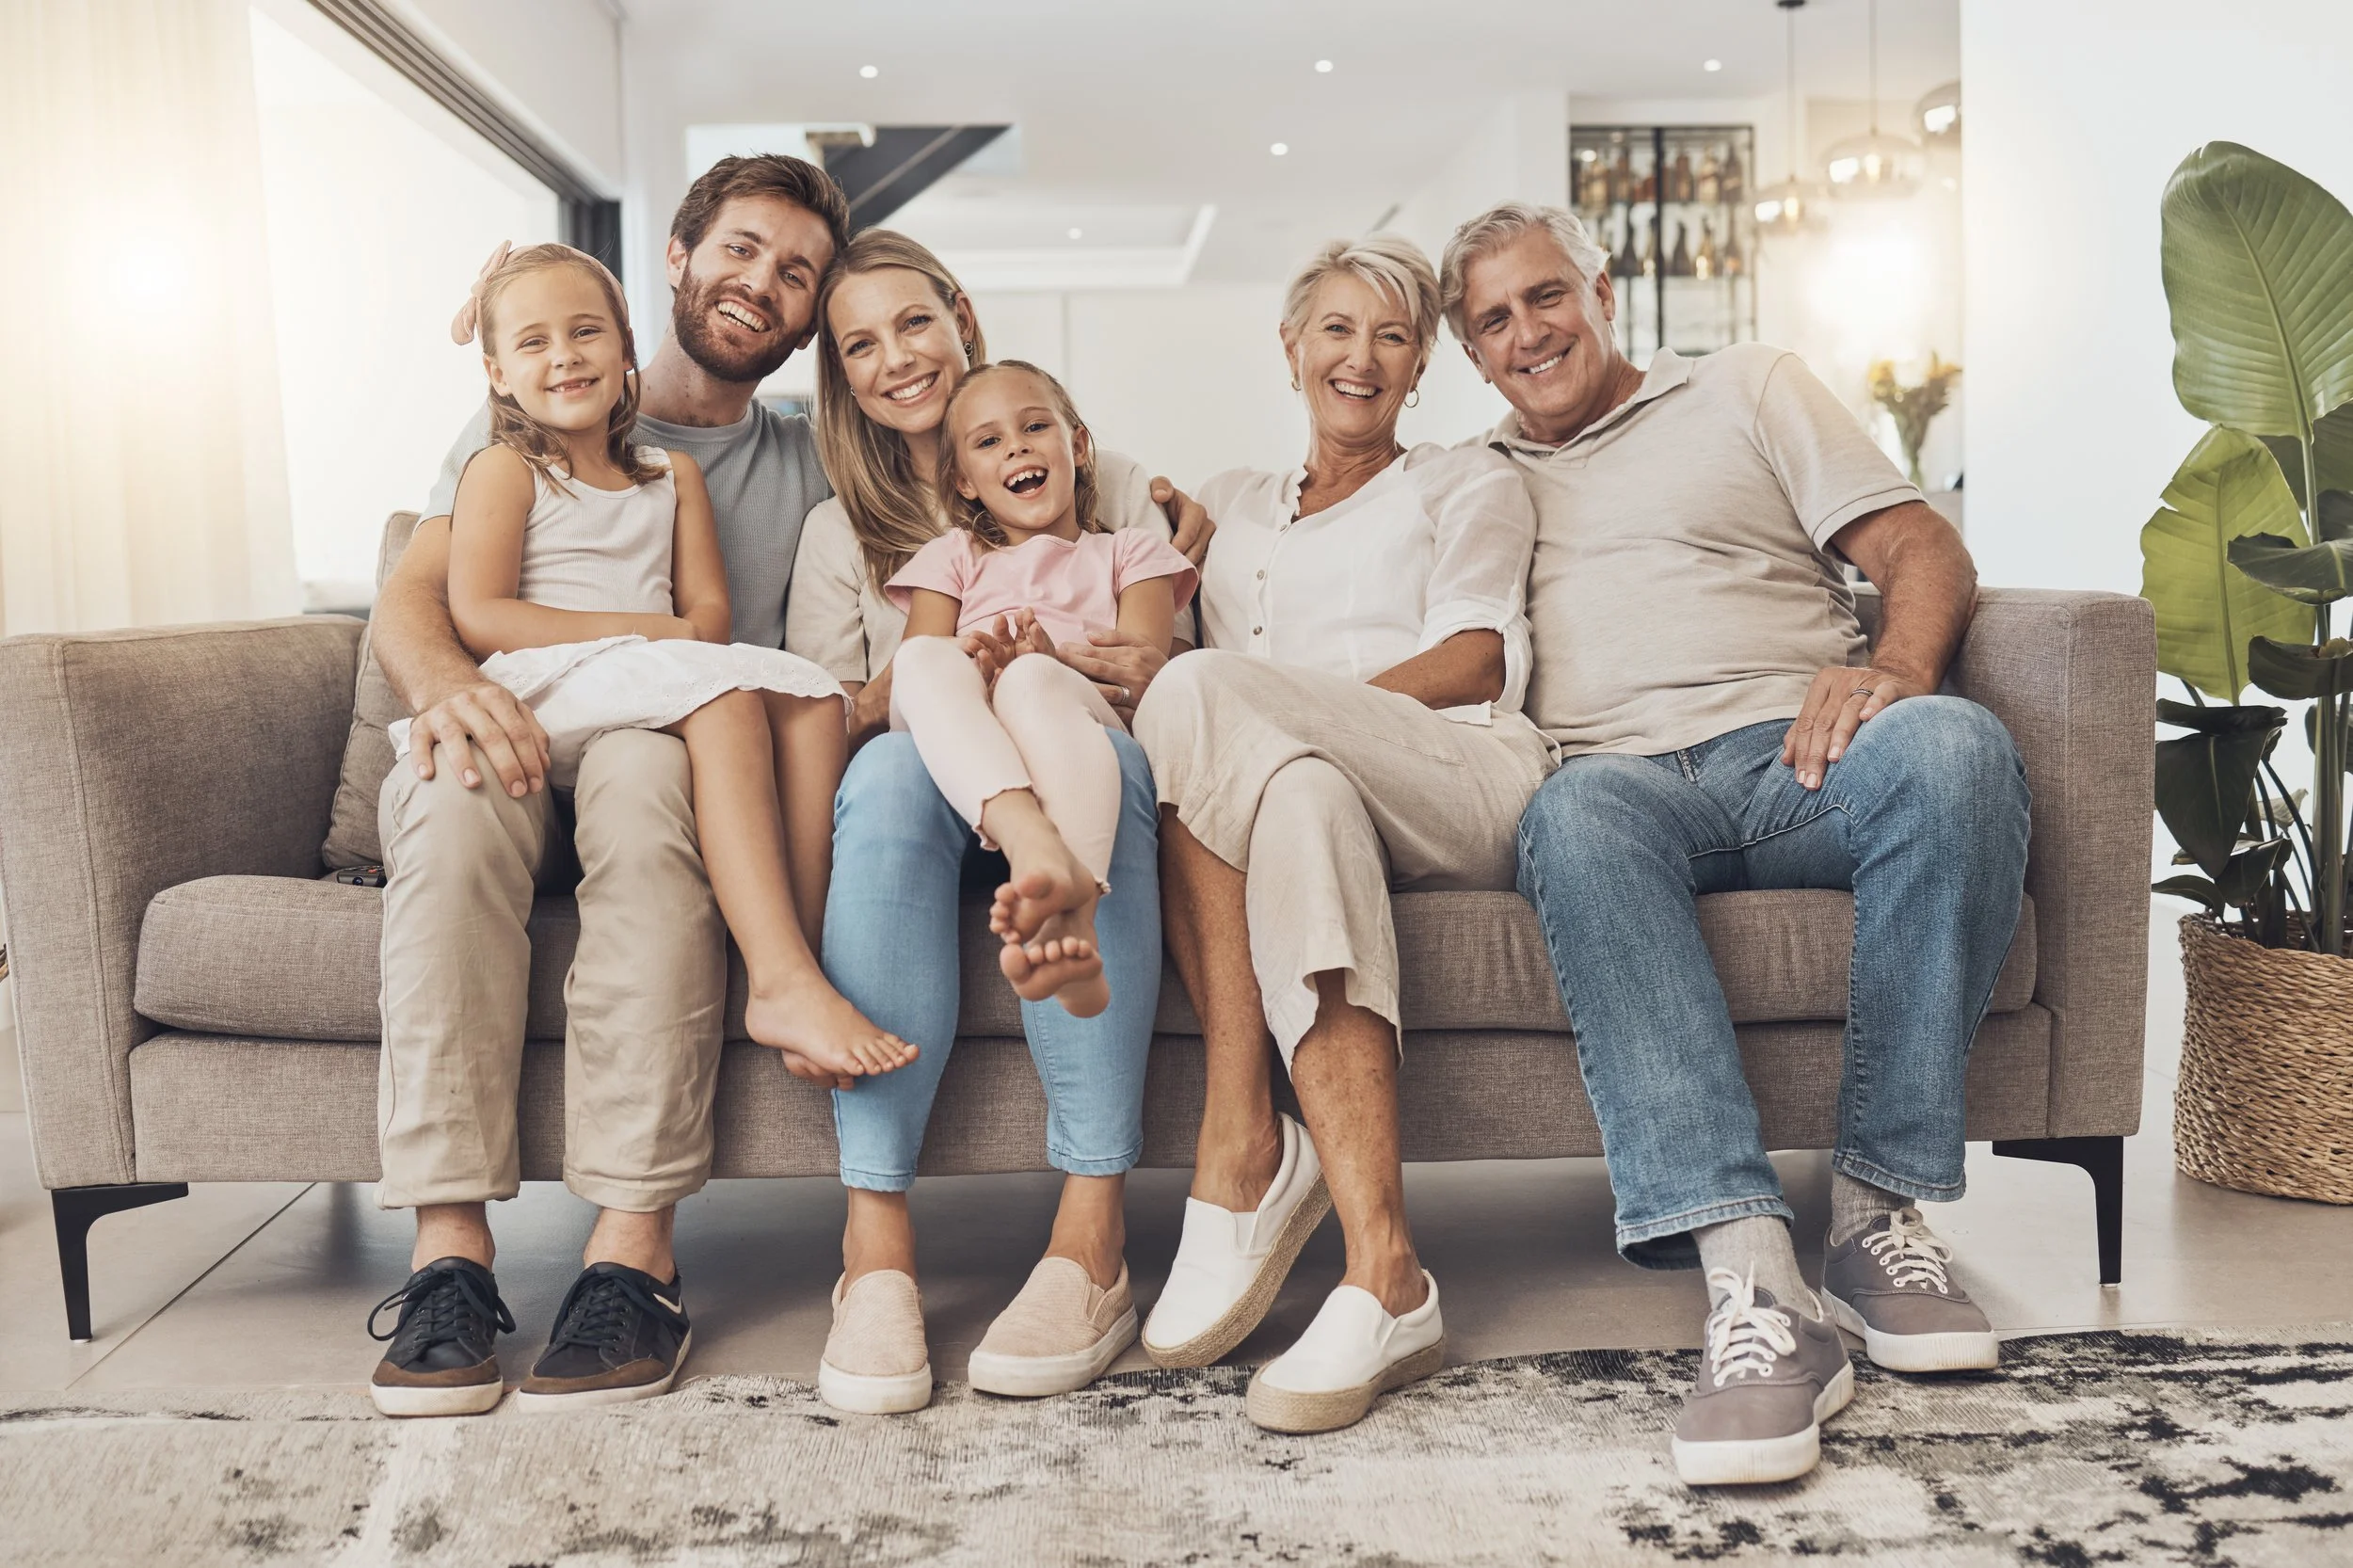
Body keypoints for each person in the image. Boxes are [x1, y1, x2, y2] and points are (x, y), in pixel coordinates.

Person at [1443, 201, 2028, 1487]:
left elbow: (1917, 541)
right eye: (1493, 319)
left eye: (1547, 295)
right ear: (1471, 355)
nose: (1529, 331)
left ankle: (1878, 1212)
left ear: (1602, 288)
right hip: (1616, 782)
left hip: (1796, 753)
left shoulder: (1748, 385)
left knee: (1957, 749)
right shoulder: (1472, 476)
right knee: (1574, 816)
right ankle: (1753, 1280)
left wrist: (1893, 671)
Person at [363, 154, 850, 1416]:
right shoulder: (511, 428)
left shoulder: (800, 460)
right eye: (741, 248)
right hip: (511, 713)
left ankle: (631, 1256)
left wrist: (1131, 494)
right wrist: (448, 688)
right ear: (677, 259)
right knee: (459, 795)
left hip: (657, 748)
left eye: (796, 271)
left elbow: (953, 439)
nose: (764, 283)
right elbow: (425, 605)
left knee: (649, 795)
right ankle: (449, 1261)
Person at [1130, 235, 1554, 1434]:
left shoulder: (1465, 481)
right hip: (1308, 798)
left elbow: (1478, 657)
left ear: (1421, 365)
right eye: (1335, 329)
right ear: (1290, 345)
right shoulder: (1234, 504)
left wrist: (1294, 703)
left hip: (1460, 773)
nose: (1359, 357)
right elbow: (1134, 599)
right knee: (1296, 786)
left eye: (1391, 335)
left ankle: (1239, 1132)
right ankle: (1387, 1271)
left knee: (1211, 695)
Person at [784, 231, 1211, 1414]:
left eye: (912, 323)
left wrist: (1063, 653)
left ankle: (1092, 1240)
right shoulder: (847, 531)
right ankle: (872, 1252)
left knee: (1069, 727)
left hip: (1076, 742)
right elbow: (836, 709)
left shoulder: (1112, 489)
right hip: (931, 771)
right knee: (881, 777)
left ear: (960, 314)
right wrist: (950, 662)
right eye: (858, 345)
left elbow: (1159, 653)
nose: (894, 360)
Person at [412, 242, 911, 1082]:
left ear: (626, 345)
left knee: (816, 697)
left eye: (584, 333)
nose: (566, 356)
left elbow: (708, 615)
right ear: (497, 374)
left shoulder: (671, 475)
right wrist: (642, 631)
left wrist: (670, 641)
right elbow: (481, 613)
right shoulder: (503, 469)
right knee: (724, 700)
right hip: (547, 685)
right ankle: (781, 981)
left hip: (643, 677)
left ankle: (805, 957)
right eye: (534, 344)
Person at [888, 360, 1197, 1019]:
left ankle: (1071, 918)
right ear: (964, 483)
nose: (1018, 447)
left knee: (1030, 678)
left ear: (1078, 447)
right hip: (973, 741)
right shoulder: (954, 557)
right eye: (989, 441)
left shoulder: (1130, 553)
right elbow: (917, 682)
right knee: (923, 659)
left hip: (1080, 714)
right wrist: (980, 668)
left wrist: (1052, 662)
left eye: (1035, 427)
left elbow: (1141, 677)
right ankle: (1030, 839)